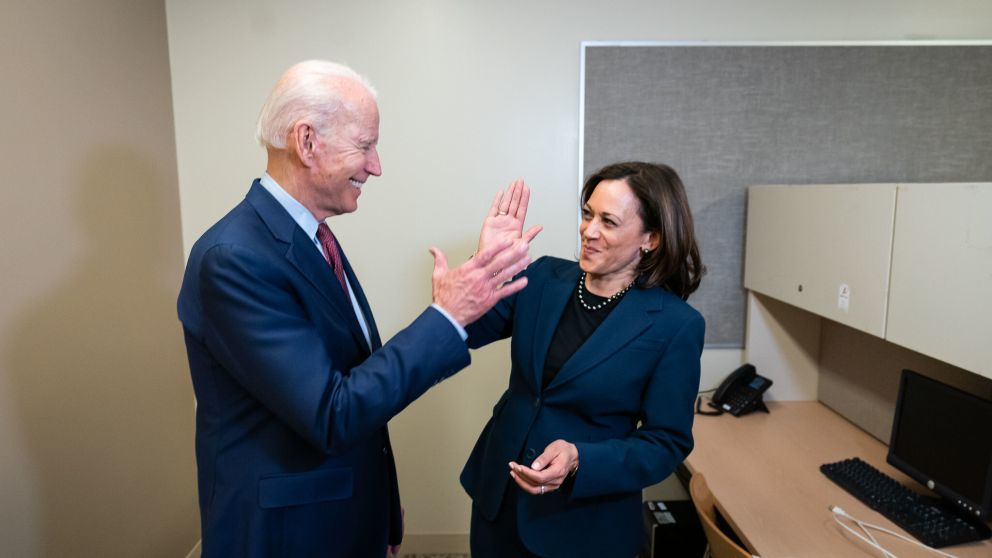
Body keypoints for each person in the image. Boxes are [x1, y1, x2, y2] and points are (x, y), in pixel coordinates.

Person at [177, 60, 538, 558]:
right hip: (286, 536)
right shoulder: (234, 259)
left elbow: (355, 379)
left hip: (340, 519)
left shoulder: (312, 237)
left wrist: (378, 512)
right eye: (365, 145)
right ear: (306, 142)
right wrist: (447, 315)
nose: (376, 165)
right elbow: (332, 413)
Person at [461, 161, 706, 558]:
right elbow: (466, 332)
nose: (589, 231)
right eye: (588, 214)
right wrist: (483, 265)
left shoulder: (675, 325)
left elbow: (666, 442)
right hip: (499, 497)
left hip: (583, 522)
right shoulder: (543, 278)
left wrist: (581, 459)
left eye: (608, 221)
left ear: (651, 238)